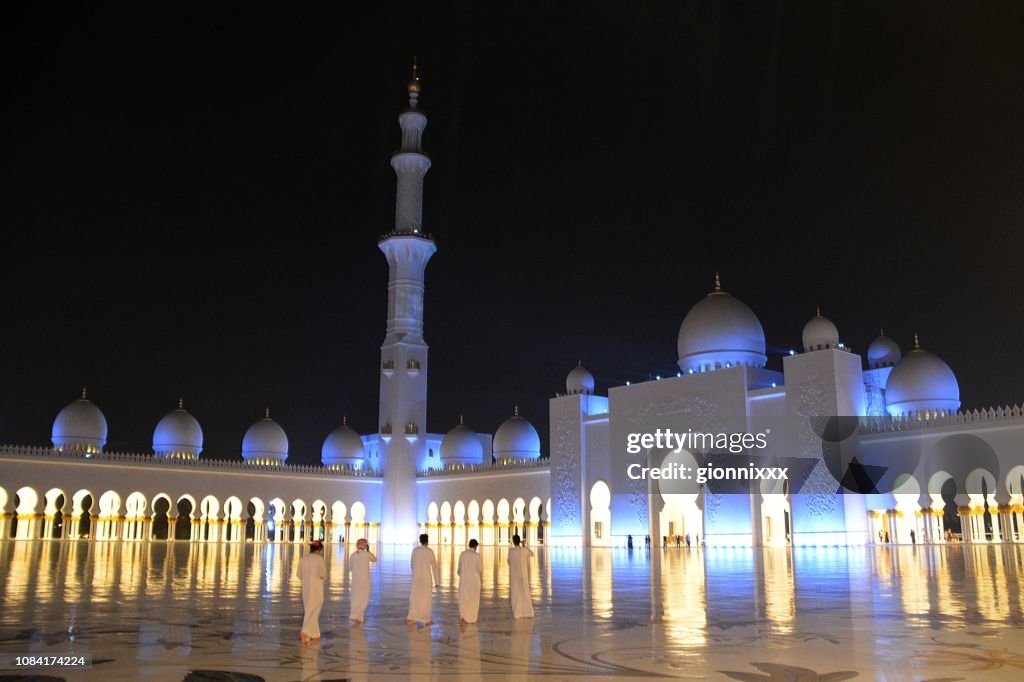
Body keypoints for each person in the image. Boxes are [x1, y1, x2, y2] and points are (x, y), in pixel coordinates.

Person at [297, 540, 327, 643]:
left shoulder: (303, 559)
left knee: (309, 609)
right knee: (314, 610)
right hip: (316, 588)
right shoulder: (319, 559)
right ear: (319, 549)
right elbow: (323, 574)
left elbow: (299, 575)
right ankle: (305, 631)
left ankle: (314, 633)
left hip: (306, 588)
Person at [407, 534, 439, 626]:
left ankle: (411, 618)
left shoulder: (415, 551)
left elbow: (412, 564)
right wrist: (437, 581)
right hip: (426, 578)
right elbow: (434, 567)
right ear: (427, 541)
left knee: (415, 597)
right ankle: (425, 619)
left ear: (420, 540)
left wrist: (415, 574)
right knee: (426, 598)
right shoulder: (430, 552)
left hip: (416, 577)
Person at [348, 538, 376, 624]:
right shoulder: (367, 554)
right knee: (363, 597)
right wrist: (368, 550)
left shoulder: (353, 555)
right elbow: (374, 559)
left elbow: (350, 568)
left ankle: (354, 614)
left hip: (356, 580)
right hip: (365, 580)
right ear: (365, 546)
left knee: (355, 597)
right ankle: (359, 615)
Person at [507, 534, 535, 619]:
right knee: (524, 592)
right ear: (519, 541)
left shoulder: (511, 551)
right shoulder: (524, 551)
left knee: (516, 593)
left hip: (514, 576)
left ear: (513, 541)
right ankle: (527, 612)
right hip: (523, 576)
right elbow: (532, 554)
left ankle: (517, 613)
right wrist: (524, 546)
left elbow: (508, 562)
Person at [457, 539, 483, 625]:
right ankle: (473, 619)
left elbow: (459, 569)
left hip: (464, 580)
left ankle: (462, 617)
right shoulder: (476, 555)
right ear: (475, 546)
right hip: (474, 581)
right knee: (474, 599)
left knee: (463, 599)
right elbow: (480, 569)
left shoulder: (462, 554)